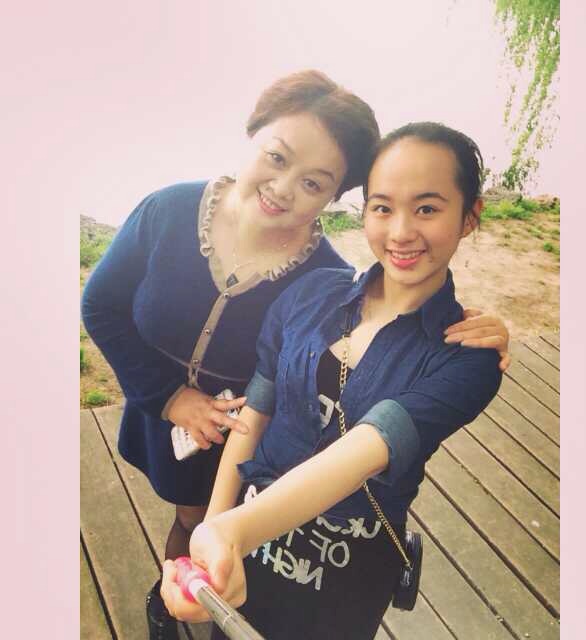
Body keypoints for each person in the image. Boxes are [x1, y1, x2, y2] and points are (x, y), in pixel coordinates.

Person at [82, 70, 509, 640]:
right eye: (383, 207)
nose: (402, 231)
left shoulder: (344, 291)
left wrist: (227, 529)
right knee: (193, 539)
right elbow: (106, 306)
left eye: (427, 209)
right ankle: (170, 603)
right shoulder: (297, 285)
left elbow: (368, 443)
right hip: (217, 478)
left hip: (328, 551)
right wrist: (214, 518)